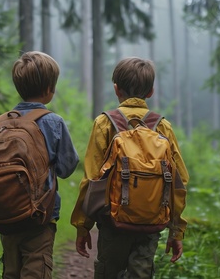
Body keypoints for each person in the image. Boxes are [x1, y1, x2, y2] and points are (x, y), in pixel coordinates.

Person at [71, 57, 189, 278]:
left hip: (112, 220)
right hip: (152, 221)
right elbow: (179, 180)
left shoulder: (105, 123)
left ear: (116, 90)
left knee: (109, 271)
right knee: (141, 272)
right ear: (151, 91)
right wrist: (176, 230)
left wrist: (82, 225)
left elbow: (92, 179)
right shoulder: (162, 126)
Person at [0, 51, 80, 279]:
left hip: (5, 213)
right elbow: (67, 167)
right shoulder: (53, 121)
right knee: (37, 269)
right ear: (49, 90)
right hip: (39, 216)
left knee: (11, 270)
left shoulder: (1, 122)